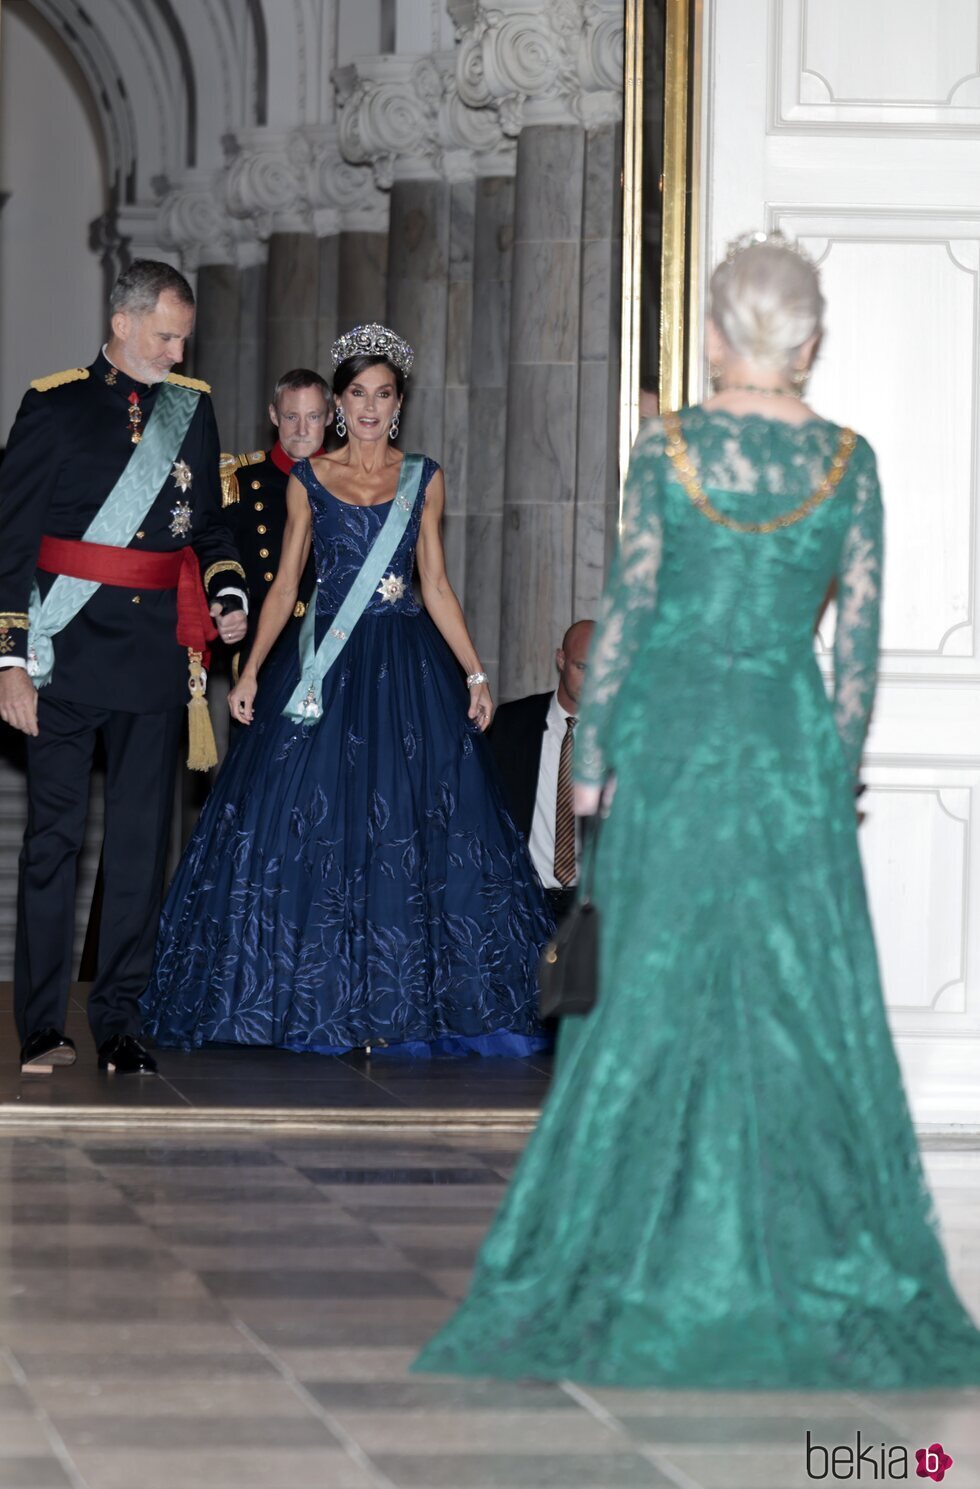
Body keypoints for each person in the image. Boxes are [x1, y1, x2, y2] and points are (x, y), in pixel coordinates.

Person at [414, 232, 980, 1387]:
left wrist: (589, 762)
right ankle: (799, 1251)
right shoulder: (846, 461)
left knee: (654, 995)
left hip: (670, 749)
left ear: (718, 336)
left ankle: (637, 1243)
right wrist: (832, 763)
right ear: (809, 343)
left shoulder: (666, 449)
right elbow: (856, 650)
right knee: (790, 999)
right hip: (781, 752)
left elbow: (625, 612)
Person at [141, 323, 552, 1056]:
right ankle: (291, 998)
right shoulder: (310, 479)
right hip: (320, 671)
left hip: (407, 667)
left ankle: (408, 1004)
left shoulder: (424, 476)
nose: (369, 408)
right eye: (357, 394)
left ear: (399, 403)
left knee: (411, 831)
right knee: (302, 828)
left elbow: (436, 585)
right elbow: (283, 589)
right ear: (337, 403)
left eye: (382, 395)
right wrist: (254, 669)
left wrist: (477, 670)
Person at [0, 259, 248, 1077]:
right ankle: (41, 1023)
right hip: (62, 657)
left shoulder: (193, 408)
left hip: (152, 664)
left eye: (184, 337)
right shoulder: (55, 402)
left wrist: (227, 589)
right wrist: (9, 663)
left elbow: (208, 528)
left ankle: (120, 1021)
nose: (179, 351)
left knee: (141, 850)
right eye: (167, 335)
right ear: (123, 323)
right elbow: (11, 548)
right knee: (53, 845)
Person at [220, 368, 331, 674]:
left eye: (313, 416)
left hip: (331, 641)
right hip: (263, 642)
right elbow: (218, 555)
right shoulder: (239, 479)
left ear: (330, 417)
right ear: (273, 415)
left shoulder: (351, 483)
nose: (302, 429)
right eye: (291, 416)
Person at [489, 620, 594, 924]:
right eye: (584, 668)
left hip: (592, 908)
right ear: (561, 660)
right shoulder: (513, 724)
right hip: (525, 901)